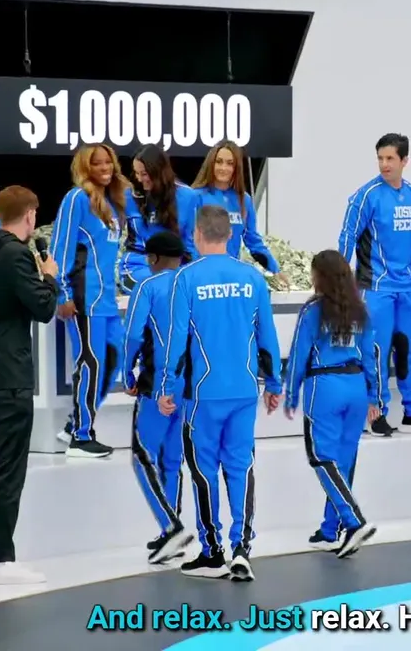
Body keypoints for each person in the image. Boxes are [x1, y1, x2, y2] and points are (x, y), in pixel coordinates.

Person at [159, 204, 284, 581]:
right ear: (230, 236)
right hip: (244, 390)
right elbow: (267, 336)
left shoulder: (186, 278)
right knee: (241, 466)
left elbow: (176, 339)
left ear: (195, 235)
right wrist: (273, 383)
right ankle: (242, 547)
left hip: (203, 393)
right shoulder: (253, 277)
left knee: (204, 471)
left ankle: (213, 552)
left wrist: (167, 387)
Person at [0, 185, 59, 585]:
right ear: (30, 216)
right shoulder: (16, 254)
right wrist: (49, 278)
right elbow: (43, 307)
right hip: (9, 373)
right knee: (10, 470)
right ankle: (0, 560)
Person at [337, 133, 411, 437]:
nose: (384, 164)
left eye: (390, 158)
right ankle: (376, 412)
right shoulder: (366, 195)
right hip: (376, 287)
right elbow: (347, 237)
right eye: (380, 158)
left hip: (406, 288)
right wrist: (341, 281)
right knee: (376, 351)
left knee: (408, 350)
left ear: (404, 160)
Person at [284, 250, 383, 559]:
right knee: (343, 462)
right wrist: (374, 397)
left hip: (324, 387)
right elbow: (372, 356)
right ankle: (330, 530)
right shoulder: (360, 310)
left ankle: (353, 522)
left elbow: (299, 354)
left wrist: (290, 394)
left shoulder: (313, 310)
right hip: (356, 386)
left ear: (319, 276)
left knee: (322, 457)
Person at [50, 144, 131, 458]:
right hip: (84, 299)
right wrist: (62, 293)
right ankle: (81, 437)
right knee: (90, 363)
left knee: (115, 359)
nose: (105, 168)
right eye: (97, 164)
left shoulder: (112, 203)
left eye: (108, 162)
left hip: (107, 300)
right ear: (86, 167)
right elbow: (61, 247)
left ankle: (75, 424)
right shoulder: (76, 199)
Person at [120, 231, 192, 565]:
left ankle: (170, 526)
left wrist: (127, 373)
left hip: (157, 383)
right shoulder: (192, 285)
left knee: (142, 456)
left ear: (152, 258)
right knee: (172, 460)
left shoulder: (147, 287)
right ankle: (171, 531)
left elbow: (133, 335)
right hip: (189, 385)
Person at [191, 140, 289, 288]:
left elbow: (253, 241)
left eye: (230, 163)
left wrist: (275, 269)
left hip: (231, 278)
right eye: (219, 162)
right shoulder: (195, 197)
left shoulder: (244, 200)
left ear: (236, 167)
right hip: (202, 277)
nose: (223, 168)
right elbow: (187, 239)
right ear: (211, 164)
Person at [119, 145, 199, 290]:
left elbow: (190, 242)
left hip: (174, 265)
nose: (139, 179)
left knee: (176, 288)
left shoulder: (187, 196)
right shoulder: (129, 196)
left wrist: (193, 272)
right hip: (138, 264)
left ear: (159, 171)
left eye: (144, 174)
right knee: (156, 288)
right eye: (136, 173)